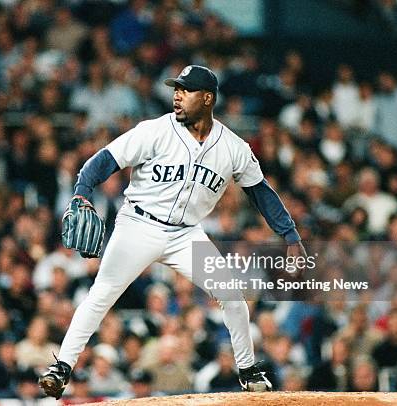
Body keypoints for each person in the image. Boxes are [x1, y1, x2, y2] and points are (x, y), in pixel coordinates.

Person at [39, 65, 306, 398]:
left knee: (233, 295)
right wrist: (82, 191)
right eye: (176, 89)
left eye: (186, 90)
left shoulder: (233, 147)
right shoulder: (155, 130)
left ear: (207, 98)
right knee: (102, 293)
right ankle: (61, 368)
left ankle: (248, 370)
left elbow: (260, 192)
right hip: (138, 223)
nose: (177, 95)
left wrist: (290, 235)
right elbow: (104, 159)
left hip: (186, 235)